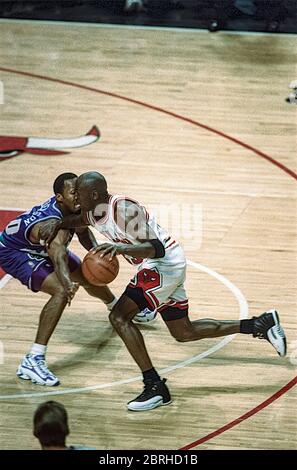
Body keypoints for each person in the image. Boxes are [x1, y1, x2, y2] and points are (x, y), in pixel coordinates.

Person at [40, 171, 287, 411]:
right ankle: (259, 324)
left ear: (93, 194)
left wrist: (121, 249)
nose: (76, 200)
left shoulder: (124, 211)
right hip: (163, 266)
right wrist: (58, 222)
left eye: (79, 194)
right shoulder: (94, 210)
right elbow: (79, 221)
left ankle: (155, 386)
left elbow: (155, 248)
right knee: (184, 332)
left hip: (162, 265)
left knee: (119, 317)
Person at [0, 172, 117, 386]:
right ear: (59, 197)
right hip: (14, 252)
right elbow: (58, 254)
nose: (78, 196)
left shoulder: (74, 207)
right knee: (61, 292)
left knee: (87, 274)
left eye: (79, 191)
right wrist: (66, 282)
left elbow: (82, 233)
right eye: (74, 192)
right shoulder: (51, 223)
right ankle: (33, 359)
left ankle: (115, 307)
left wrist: (96, 255)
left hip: (37, 248)